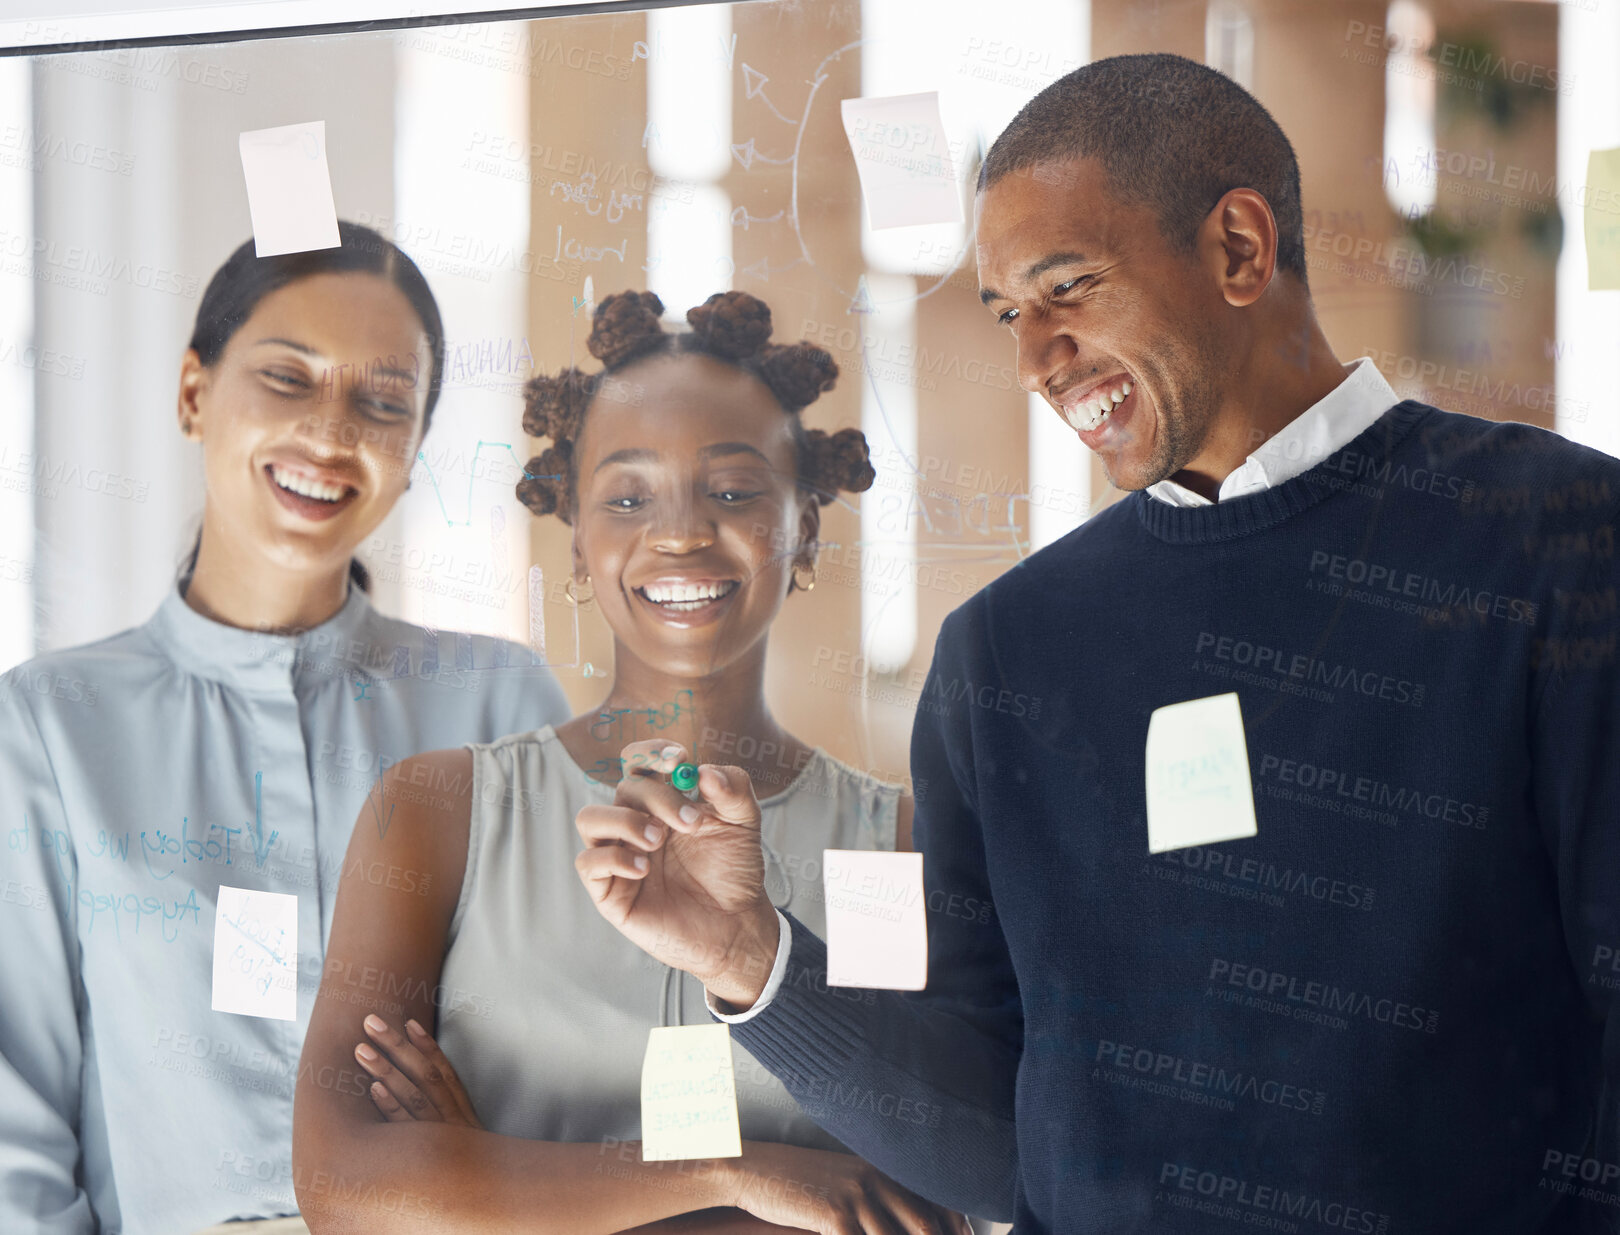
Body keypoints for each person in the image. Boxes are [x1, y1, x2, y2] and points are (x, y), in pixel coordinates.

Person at [571, 54, 1620, 1235]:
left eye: (1067, 287)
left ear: (1238, 248)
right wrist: (748, 959)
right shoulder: (1002, 658)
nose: (1034, 360)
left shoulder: (1560, 543)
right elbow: (997, 1140)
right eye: (1013, 314)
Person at [293, 289, 972, 1234]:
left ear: (806, 524)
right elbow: (349, 1187)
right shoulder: (438, 811)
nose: (683, 531)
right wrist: (736, 1173)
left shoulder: (891, 845)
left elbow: (924, 1206)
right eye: (626, 496)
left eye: (734, 491)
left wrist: (482, 1185)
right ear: (576, 532)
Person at [0, 221, 571, 1235]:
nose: (332, 429)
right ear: (193, 393)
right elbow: (15, 1130)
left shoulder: (499, 703)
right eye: (288, 376)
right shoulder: (48, 727)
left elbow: (579, 1050)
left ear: (414, 449)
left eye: (383, 399)